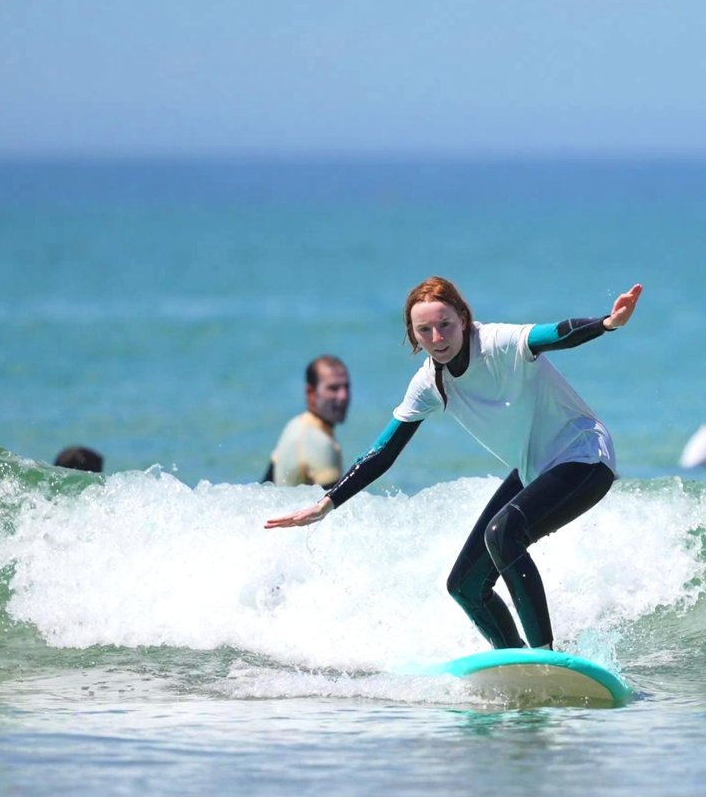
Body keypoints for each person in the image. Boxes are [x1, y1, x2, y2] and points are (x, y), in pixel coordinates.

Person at [265, 276, 642, 652]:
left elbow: (557, 333)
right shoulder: (429, 382)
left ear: (463, 318)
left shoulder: (498, 343)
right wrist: (326, 503)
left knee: (503, 533)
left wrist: (606, 324)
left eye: (445, 325)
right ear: (413, 337)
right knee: (465, 585)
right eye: (424, 330)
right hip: (535, 466)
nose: (437, 338)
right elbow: (384, 451)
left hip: (585, 455)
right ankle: (515, 661)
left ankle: (546, 656)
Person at [261, 355, 351, 487]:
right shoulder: (319, 442)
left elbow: (264, 486)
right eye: (333, 388)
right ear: (311, 392)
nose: (344, 396)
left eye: (346, 387)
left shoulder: (295, 425)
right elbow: (334, 505)